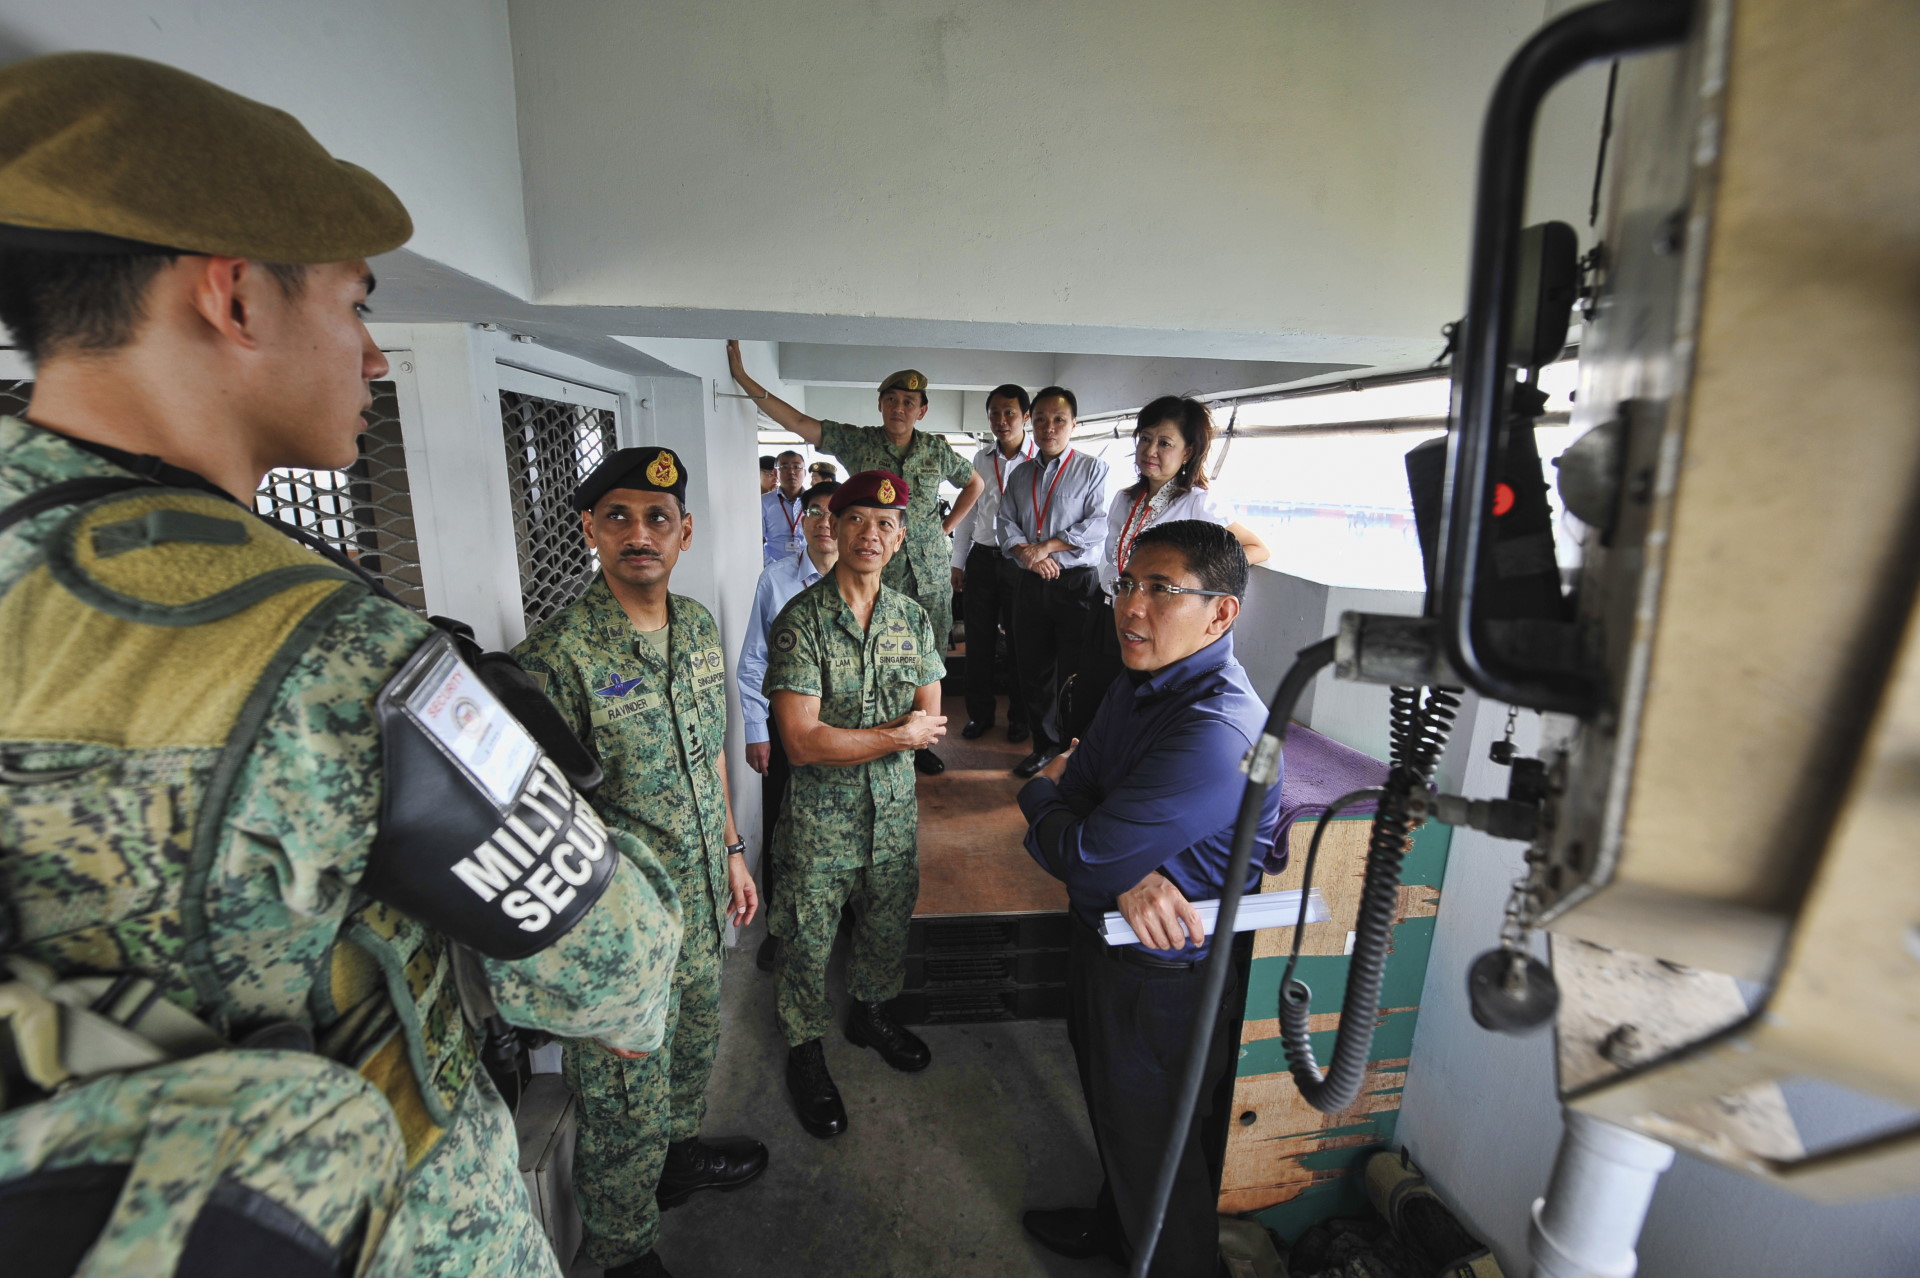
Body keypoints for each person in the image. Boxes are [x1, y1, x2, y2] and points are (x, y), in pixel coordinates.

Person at [0, 51, 682, 1277]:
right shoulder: (326, 654)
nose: (372, 356)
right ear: (233, 297)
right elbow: (615, 960)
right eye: (356, 303)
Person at [512, 446, 766, 1277]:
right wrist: (586, 960)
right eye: (617, 517)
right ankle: (623, 1252)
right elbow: (536, 824)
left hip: (701, 894)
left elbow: (710, 751)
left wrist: (733, 850)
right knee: (623, 1098)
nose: (639, 534)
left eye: (658, 518)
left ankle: (679, 1159)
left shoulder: (695, 626)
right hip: (618, 925)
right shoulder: (555, 657)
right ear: (590, 529)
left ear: (685, 533)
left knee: (693, 1044)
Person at [1017, 521, 1283, 1278]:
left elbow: (1079, 845)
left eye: (1161, 590)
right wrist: (1123, 870)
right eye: (1127, 584)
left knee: (1158, 1146)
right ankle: (1119, 1228)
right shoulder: (1140, 683)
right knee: (1119, 1119)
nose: (1131, 607)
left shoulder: (1218, 731)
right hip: (1110, 935)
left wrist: (1038, 796)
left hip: (1165, 977)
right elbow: (1085, 799)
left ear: (1221, 613)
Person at [762, 470, 946, 1139]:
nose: (871, 534)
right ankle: (804, 1048)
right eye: (857, 520)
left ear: (899, 539)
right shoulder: (801, 622)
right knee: (806, 942)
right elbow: (803, 742)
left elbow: (932, 717)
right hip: (820, 825)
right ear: (833, 529)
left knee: (885, 926)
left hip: (892, 816)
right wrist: (893, 737)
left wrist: (864, 738)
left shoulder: (912, 618)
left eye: (885, 524)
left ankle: (870, 1015)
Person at [727, 341, 983, 776]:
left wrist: (943, 529)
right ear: (880, 404)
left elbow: (975, 484)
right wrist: (746, 381)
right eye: (892, 399)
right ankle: (866, 738)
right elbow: (801, 423)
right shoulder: (859, 442)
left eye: (909, 402)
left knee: (923, 667)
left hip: (930, 581)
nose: (899, 408)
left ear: (922, 410)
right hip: (876, 573)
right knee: (864, 662)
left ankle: (917, 746)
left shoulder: (936, 451)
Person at [1070, 395, 1271, 741]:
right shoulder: (1124, 499)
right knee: (1090, 701)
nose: (1150, 450)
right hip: (1107, 612)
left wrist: (1197, 577)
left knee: (1132, 713)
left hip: (1154, 621)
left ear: (1187, 452)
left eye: (1165, 443)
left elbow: (1257, 548)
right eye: (1145, 439)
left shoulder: (1199, 504)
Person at [737, 478, 840, 973]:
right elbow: (754, 660)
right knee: (783, 826)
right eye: (814, 511)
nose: (824, 522)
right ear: (802, 520)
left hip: (846, 729)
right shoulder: (775, 580)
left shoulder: (868, 577)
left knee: (844, 825)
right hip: (787, 726)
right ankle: (779, 929)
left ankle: (847, 920)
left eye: (835, 513)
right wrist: (756, 729)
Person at [995, 386, 1110, 778]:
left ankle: (1075, 750)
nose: (1049, 427)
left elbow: (1097, 525)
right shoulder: (1020, 474)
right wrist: (1029, 556)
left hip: (1077, 584)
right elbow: (1004, 523)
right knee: (1033, 669)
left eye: (1059, 419)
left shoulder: (1093, 469)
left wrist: (1046, 547)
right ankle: (1043, 747)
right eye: (1041, 419)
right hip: (1030, 582)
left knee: (1075, 672)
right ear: (1031, 423)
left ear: (1074, 424)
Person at [949, 383, 1037, 743]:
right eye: (995, 414)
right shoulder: (981, 459)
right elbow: (969, 513)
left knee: (1021, 644)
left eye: (1009, 413)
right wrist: (958, 561)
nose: (1001, 420)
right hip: (983, 559)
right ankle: (980, 715)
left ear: (1025, 417)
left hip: (1021, 563)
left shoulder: (1040, 460)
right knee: (979, 643)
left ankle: (1020, 719)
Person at [761, 449, 806, 564]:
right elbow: (756, 540)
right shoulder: (764, 502)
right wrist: (772, 567)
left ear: (804, 473)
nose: (791, 472)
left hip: (809, 567)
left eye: (796, 467)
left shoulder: (814, 501)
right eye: (784, 467)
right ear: (776, 473)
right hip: (773, 567)